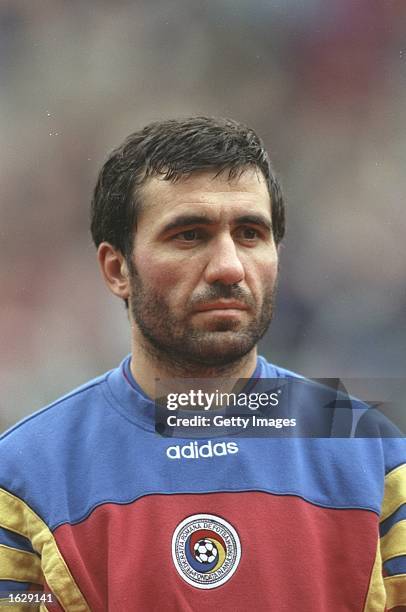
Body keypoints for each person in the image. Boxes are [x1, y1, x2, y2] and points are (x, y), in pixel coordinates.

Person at [0, 117, 404, 612]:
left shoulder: (373, 448)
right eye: (190, 235)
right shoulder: (24, 475)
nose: (230, 266)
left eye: (251, 233)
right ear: (116, 269)